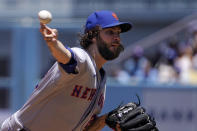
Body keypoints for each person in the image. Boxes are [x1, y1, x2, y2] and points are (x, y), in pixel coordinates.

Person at [1, 10, 132, 131]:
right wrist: (53, 43)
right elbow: (67, 57)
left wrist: (105, 120)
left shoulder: (101, 79)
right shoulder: (82, 59)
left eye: (118, 33)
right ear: (93, 35)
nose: (117, 38)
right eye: (110, 32)